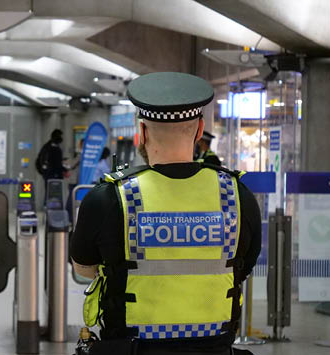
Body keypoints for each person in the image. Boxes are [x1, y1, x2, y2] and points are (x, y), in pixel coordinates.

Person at [70, 72, 261, 355]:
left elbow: (83, 267)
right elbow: (241, 267)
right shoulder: (237, 197)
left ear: (142, 132)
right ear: (199, 130)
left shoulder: (109, 197)